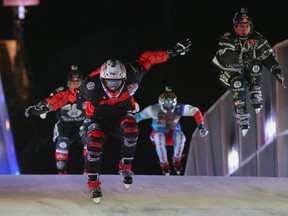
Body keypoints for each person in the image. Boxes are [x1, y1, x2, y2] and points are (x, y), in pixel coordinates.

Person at [25, 38, 192, 203]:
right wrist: (46, 106)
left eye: (117, 82)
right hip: (97, 117)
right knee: (94, 141)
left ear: (125, 78)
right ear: (102, 79)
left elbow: (149, 58)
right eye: (109, 82)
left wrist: (172, 52)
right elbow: (67, 96)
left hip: (121, 114)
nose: (113, 87)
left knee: (131, 128)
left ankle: (125, 167)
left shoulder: (134, 72)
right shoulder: (91, 85)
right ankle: (93, 182)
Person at [212, 7, 287, 136]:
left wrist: (277, 72)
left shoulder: (258, 38)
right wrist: (241, 56)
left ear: (250, 26)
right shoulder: (226, 38)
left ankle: (255, 90)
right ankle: (241, 114)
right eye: (240, 27)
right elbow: (226, 57)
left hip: (248, 71)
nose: (243, 29)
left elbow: (268, 56)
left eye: (245, 26)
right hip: (229, 72)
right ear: (235, 27)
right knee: (238, 84)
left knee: (256, 62)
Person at [134, 86, 208, 176]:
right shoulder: (153, 110)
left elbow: (195, 111)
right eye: (166, 103)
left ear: (175, 103)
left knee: (181, 137)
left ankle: (177, 159)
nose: (168, 106)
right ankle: (164, 164)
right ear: (160, 104)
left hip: (173, 134)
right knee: (159, 138)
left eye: (170, 103)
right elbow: (138, 117)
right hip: (157, 134)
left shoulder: (180, 108)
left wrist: (201, 126)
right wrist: (127, 124)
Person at [27, 65, 87, 174]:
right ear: (68, 83)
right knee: (62, 143)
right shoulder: (61, 92)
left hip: (83, 123)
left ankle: (89, 170)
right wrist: (40, 107)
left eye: (78, 82)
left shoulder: (88, 92)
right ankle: (61, 172)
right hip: (65, 124)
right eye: (73, 83)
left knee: (90, 143)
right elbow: (48, 101)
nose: (75, 85)